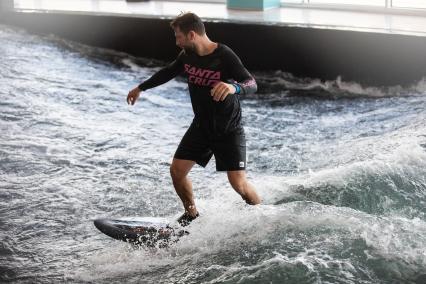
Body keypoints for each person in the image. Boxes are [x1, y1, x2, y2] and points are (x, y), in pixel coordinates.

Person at [127, 12, 261, 226]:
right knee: (177, 172)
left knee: (239, 184)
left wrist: (232, 87)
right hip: (201, 126)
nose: (176, 41)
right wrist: (140, 88)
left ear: (191, 35)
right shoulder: (187, 56)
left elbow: (251, 84)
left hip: (228, 129)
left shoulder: (223, 55)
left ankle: (260, 217)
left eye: (178, 36)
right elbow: (168, 72)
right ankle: (191, 215)